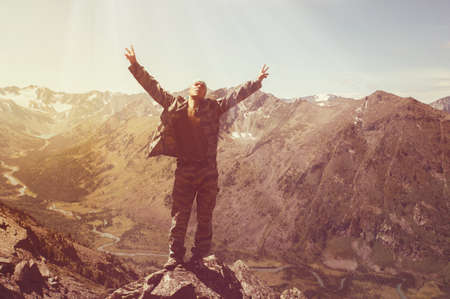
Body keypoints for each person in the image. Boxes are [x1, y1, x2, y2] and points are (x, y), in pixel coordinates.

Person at [125, 45, 269, 269]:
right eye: (196, 83)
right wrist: (135, 65)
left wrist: (257, 81)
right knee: (179, 213)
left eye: (203, 85)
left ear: (205, 92)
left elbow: (235, 96)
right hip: (185, 169)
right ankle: (175, 255)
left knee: (205, 215)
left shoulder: (214, 107)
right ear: (190, 90)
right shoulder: (175, 104)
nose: (199, 85)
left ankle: (200, 255)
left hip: (208, 171)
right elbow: (154, 88)